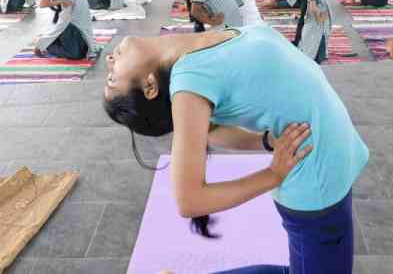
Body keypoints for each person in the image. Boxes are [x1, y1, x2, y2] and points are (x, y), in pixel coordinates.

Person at [102, 24, 369, 274]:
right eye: (112, 79)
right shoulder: (188, 85)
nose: (109, 62)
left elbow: (211, 130)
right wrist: (273, 175)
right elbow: (189, 200)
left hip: (327, 165)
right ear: (149, 86)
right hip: (314, 182)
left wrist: (264, 141)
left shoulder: (194, 54)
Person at [31, 0, 96, 59]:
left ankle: (92, 49)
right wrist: (62, 1)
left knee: (85, 31)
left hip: (82, 7)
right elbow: (43, 4)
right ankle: (42, 46)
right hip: (72, 13)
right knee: (75, 53)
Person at [288, 0, 331, 64]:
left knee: (310, 43)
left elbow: (311, 6)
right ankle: (319, 56)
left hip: (314, 21)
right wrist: (320, 18)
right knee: (313, 43)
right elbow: (312, 7)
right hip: (315, 21)